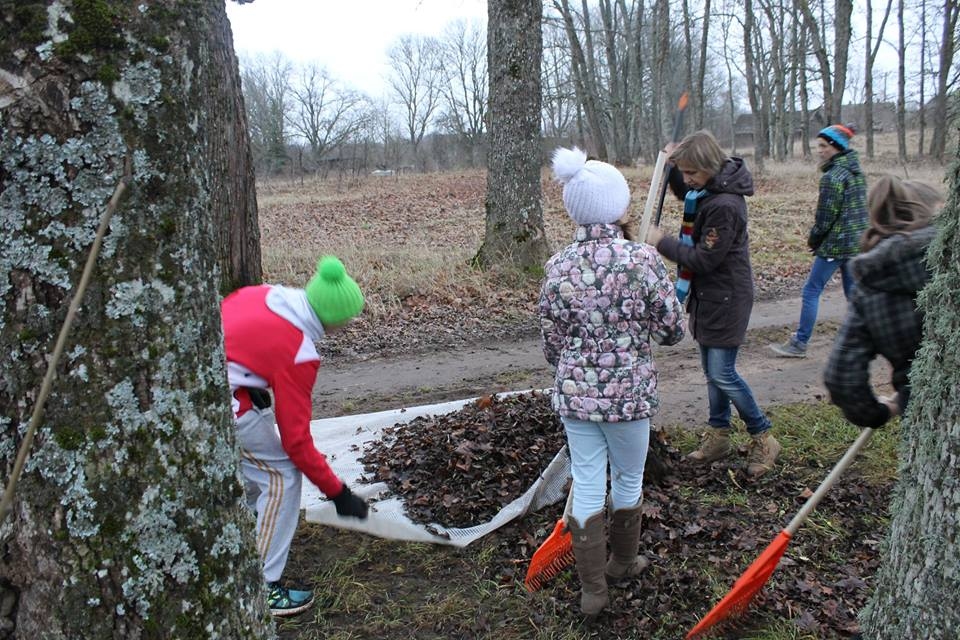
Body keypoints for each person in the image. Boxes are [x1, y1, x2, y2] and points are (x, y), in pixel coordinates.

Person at [538, 147, 685, 618]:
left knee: (585, 482)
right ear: (619, 206)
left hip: (577, 400)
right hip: (629, 400)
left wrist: (581, 365)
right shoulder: (642, 261)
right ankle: (623, 562)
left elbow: (551, 344)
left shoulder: (558, 266)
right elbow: (672, 332)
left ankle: (592, 590)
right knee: (627, 478)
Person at [221, 255, 370, 616]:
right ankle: (261, 587)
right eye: (346, 320)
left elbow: (233, 324)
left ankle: (239, 546)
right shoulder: (299, 353)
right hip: (227, 405)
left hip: (208, 388)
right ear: (333, 320)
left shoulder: (268, 294)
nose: (347, 325)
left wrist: (249, 377)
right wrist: (338, 493)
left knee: (256, 471)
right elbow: (296, 441)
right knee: (282, 476)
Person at [646, 129, 781, 477]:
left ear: (708, 166)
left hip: (727, 297)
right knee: (712, 373)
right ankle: (718, 435)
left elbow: (704, 260)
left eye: (691, 172)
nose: (687, 181)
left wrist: (662, 243)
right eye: (685, 172)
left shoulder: (725, 205)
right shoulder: (708, 190)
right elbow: (685, 189)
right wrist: (672, 162)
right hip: (708, 296)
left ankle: (763, 435)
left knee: (723, 373)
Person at [824, 175, 943, 428]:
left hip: (930, 415)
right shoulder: (949, 260)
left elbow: (842, 377)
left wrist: (879, 413)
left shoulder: (870, 289)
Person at [771, 124, 868, 357]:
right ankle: (864, 339)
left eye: (823, 146)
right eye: (819, 146)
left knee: (811, 290)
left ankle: (800, 342)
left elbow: (825, 218)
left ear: (836, 147)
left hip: (835, 245)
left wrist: (814, 240)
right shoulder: (857, 173)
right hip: (856, 243)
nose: (820, 151)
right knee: (853, 293)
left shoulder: (832, 177)